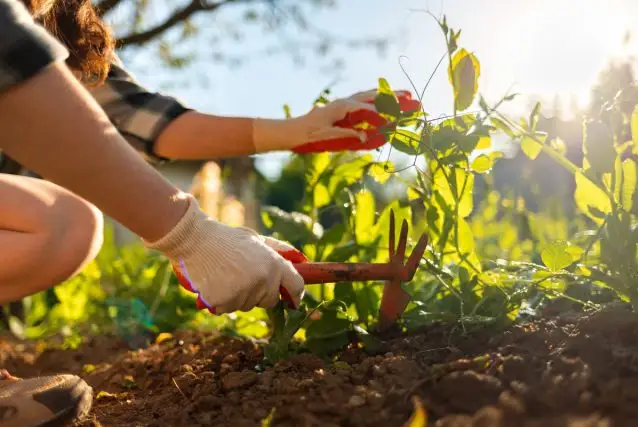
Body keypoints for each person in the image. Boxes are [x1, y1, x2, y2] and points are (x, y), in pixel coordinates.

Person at [0, 0, 419, 425]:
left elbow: (132, 114)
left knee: (63, 228)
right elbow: (13, 69)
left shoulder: (55, 15)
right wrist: (190, 236)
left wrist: (297, 130)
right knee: (65, 223)